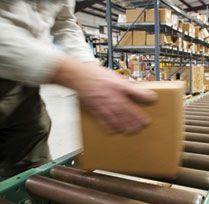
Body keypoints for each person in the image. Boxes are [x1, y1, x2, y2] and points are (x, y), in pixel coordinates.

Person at [0, 1, 156, 180]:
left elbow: (64, 22)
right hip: (18, 65)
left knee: (35, 172)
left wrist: (90, 68)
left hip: (23, 78)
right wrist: (71, 73)